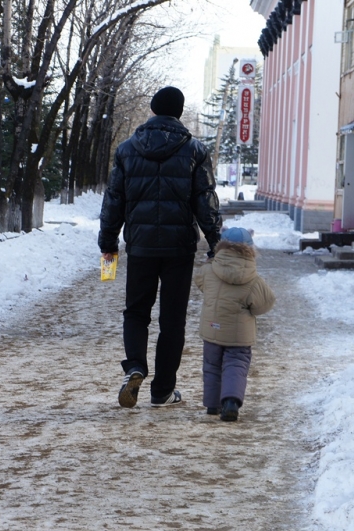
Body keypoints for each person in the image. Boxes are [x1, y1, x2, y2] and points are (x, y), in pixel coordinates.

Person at [98, 86, 222, 408]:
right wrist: (215, 240)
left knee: (136, 312)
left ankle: (136, 366)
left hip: (140, 246)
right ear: (179, 113)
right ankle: (162, 390)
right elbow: (204, 199)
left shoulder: (127, 149)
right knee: (172, 320)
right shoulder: (195, 150)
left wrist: (108, 242)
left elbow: (114, 199)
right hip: (179, 249)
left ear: (152, 109)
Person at [194, 227, 275, 421]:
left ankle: (212, 406)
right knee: (236, 365)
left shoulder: (209, 270)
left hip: (212, 329)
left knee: (212, 366)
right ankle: (230, 402)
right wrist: (250, 310)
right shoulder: (254, 280)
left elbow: (199, 282)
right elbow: (266, 302)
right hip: (239, 336)